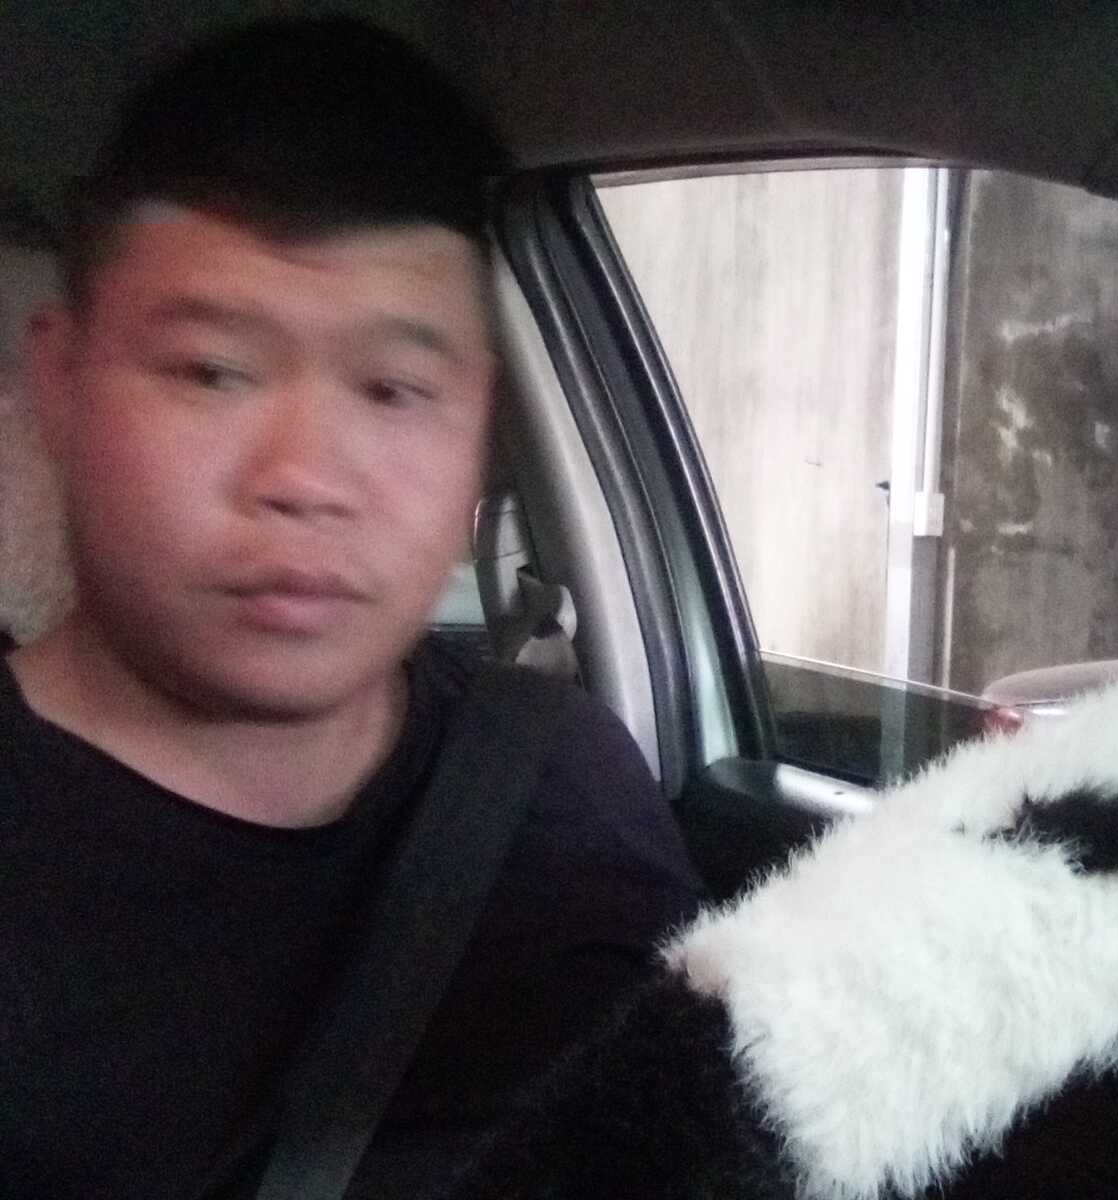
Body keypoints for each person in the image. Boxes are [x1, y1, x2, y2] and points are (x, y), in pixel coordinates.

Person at [0, 17, 703, 1198]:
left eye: (393, 389)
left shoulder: (563, 788)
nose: (306, 478)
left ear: (479, 425)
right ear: (59, 383)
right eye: (212, 371)